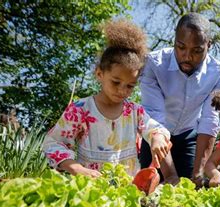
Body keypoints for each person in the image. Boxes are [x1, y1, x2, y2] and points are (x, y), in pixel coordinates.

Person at [43, 19, 171, 177]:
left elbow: (156, 128)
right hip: (90, 191)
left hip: (126, 190)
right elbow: (54, 143)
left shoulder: (134, 112)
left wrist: (157, 137)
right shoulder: (80, 109)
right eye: (116, 82)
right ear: (99, 74)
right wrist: (77, 169)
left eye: (130, 86)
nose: (122, 90)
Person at [139, 13, 220, 185]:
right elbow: (155, 116)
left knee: (191, 187)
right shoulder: (153, 64)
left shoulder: (217, 72)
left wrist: (199, 171)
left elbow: (209, 120)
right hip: (155, 136)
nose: (187, 56)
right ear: (174, 39)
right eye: (181, 47)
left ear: (209, 45)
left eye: (197, 50)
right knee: (149, 190)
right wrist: (170, 175)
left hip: (188, 136)